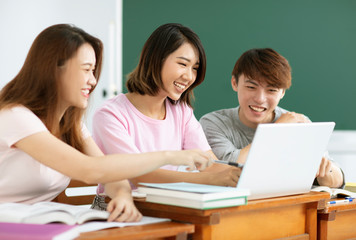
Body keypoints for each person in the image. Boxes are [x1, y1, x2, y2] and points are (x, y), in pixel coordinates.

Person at [0, 24, 212, 223]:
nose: (93, 81)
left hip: (34, 222)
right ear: (55, 69)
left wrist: (122, 195)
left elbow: (109, 173)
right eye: (86, 69)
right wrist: (171, 155)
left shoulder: (72, 125)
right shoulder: (15, 116)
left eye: (94, 71)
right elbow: (90, 170)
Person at [91, 23, 240, 209]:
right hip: (113, 208)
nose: (189, 76)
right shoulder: (110, 115)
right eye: (183, 64)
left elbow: (209, 162)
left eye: (195, 68)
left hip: (161, 206)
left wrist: (238, 176)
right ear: (156, 59)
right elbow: (139, 176)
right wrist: (209, 179)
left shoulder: (181, 112)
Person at [200, 48, 344, 188]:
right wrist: (276, 130)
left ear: (282, 93)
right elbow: (228, 168)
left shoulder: (299, 123)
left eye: (271, 90)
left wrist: (325, 172)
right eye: (251, 87)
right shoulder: (213, 123)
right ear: (234, 83)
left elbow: (338, 180)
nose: (260, 99)